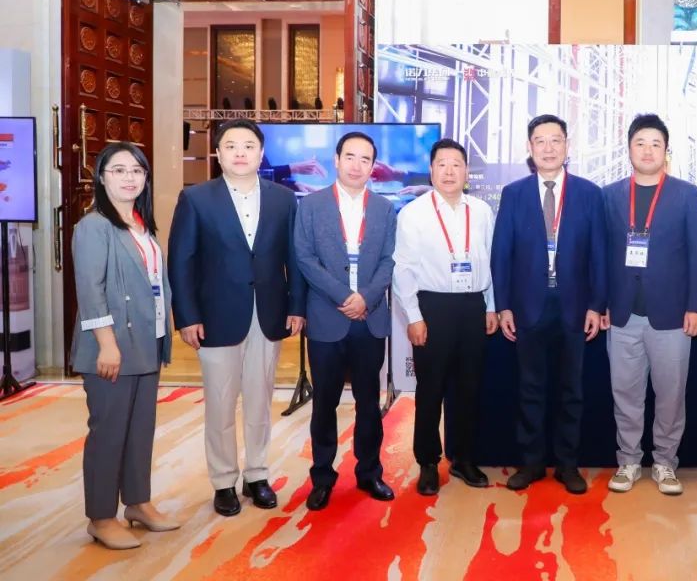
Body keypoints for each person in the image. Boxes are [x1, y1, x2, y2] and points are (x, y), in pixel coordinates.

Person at [169, 119, 306, 517]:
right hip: (215, 317)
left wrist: (297, 306)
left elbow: (294, 258)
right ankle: (224, 481)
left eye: (249, 146)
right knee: (220, 404)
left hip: (268, 313)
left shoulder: (284, 199)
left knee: (260, 402)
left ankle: (257, 474)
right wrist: (187, 316)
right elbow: (181, 262)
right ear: (217, 153)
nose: (240, 153)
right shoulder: (195, 199)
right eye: (231, 146)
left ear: (261, 154)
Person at [72, 142, 180, 549]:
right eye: (118, 170)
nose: (129, 177)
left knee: (139, 430)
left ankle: (137, 502)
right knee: (109, 432)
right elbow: (91, 291)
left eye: (136, 170)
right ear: (102, 178)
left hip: (146, 342)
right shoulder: (94, 226)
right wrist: (107, 344)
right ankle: (101, 517)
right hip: (112, 347)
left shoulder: (140, 224)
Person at [492, 114, 607, 494]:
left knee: (572, 391)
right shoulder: (514, 194)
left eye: (555, 140)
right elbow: (501, 254)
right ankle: (531, 463)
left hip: (574, 307)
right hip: (528, 307)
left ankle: (567, 465)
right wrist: (504, 306)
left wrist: (596, 305)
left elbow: (599, 255)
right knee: (530, 388)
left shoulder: (589, 193)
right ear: (530, 148)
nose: (548, 148)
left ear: (567, 146)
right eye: (539, 141)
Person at [601, 114, 697, 495]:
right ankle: (628, 461)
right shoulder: (610, 195)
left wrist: (696, 306)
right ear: (629, 149)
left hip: (673, 314)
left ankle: (665, 463)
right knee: (625, 393)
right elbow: (600, 254)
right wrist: (601, 303)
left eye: (655, 144)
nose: (647, 151)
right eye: (640, 143)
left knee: (671, 395)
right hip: (622, 313)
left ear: (666, 151)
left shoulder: (686, 194)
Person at [294, 131, 397, 510]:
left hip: (369, 319)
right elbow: (304, 258)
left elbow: (389, 260)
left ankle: (369, 473)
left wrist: (366, 298)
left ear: (373, 167)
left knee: (369, 403)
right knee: (324, 403)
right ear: (336, 160)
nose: (357, 165)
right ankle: (322, 477)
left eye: (365, 159)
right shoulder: (311, 205)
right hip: (327, 317)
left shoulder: (385, 209)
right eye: (349, 157)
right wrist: (343, 296)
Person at [392, 138, 498, 495]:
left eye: (456, 164)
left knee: (469, 388)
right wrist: (414, 316)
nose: (449, 171)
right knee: (430, 390)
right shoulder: (414, 213)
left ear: (467, 171)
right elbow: (403, 269)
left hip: (472, 306)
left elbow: (490, 261)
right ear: (431, 170)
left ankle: (463, 458)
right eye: (442, 164)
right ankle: (427, 461)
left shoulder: (481, 211)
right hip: (432, 308)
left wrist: (490, 305)